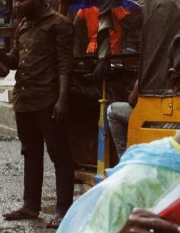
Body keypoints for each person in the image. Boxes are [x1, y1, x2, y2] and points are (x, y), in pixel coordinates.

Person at [57, 37, 180, 232]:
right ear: (176, 82)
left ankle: (122, 152)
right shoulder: (130, 186)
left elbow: (132, 100)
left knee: (113, 111)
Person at [0, 0, 75, 228]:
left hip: (48, 99)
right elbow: (15, 61)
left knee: (60, 155)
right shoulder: (23, 25)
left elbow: (66, 65)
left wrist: (62, 100)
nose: (17, 5)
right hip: (24, 99)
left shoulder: (58, 24)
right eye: (16, 0)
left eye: (21, 0)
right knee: (30, 152)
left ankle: (63, 209)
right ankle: (30, 205)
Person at [107, 80, 138, 158]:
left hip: (147, 113)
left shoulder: (148, 69)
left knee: (111, 110)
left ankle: (123, 157)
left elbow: (132, 101)